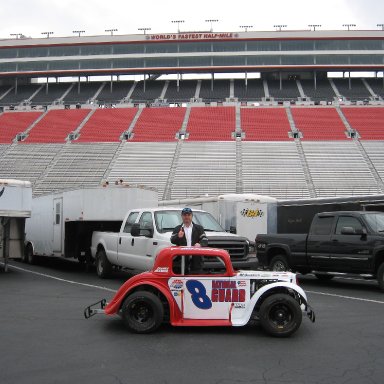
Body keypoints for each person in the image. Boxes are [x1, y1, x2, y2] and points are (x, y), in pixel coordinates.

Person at [170, 207, 207, 274]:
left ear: (192, 216)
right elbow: (172, 240)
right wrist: (178, 236)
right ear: (182, 216)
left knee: (195, 280)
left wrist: (200, 244)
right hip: (182, 261)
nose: (186, 217)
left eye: (188, 215)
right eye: (185, 215)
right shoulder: (177, 229)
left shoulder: (199, 228)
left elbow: (205, 240)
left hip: (196, 260)